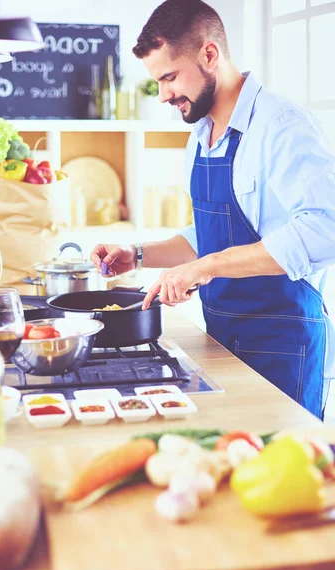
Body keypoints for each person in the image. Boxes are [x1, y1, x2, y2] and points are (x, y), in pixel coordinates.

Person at [91, 0, 335, 420]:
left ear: (209, 54)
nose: (165, 94)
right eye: (158, 81)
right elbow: (209, 233)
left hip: (284, 342)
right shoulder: (201, 133)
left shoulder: (282, 125)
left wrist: (208, 267)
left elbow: (325, 228)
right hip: (223, 338)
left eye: (169, 77)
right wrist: (139, 255)